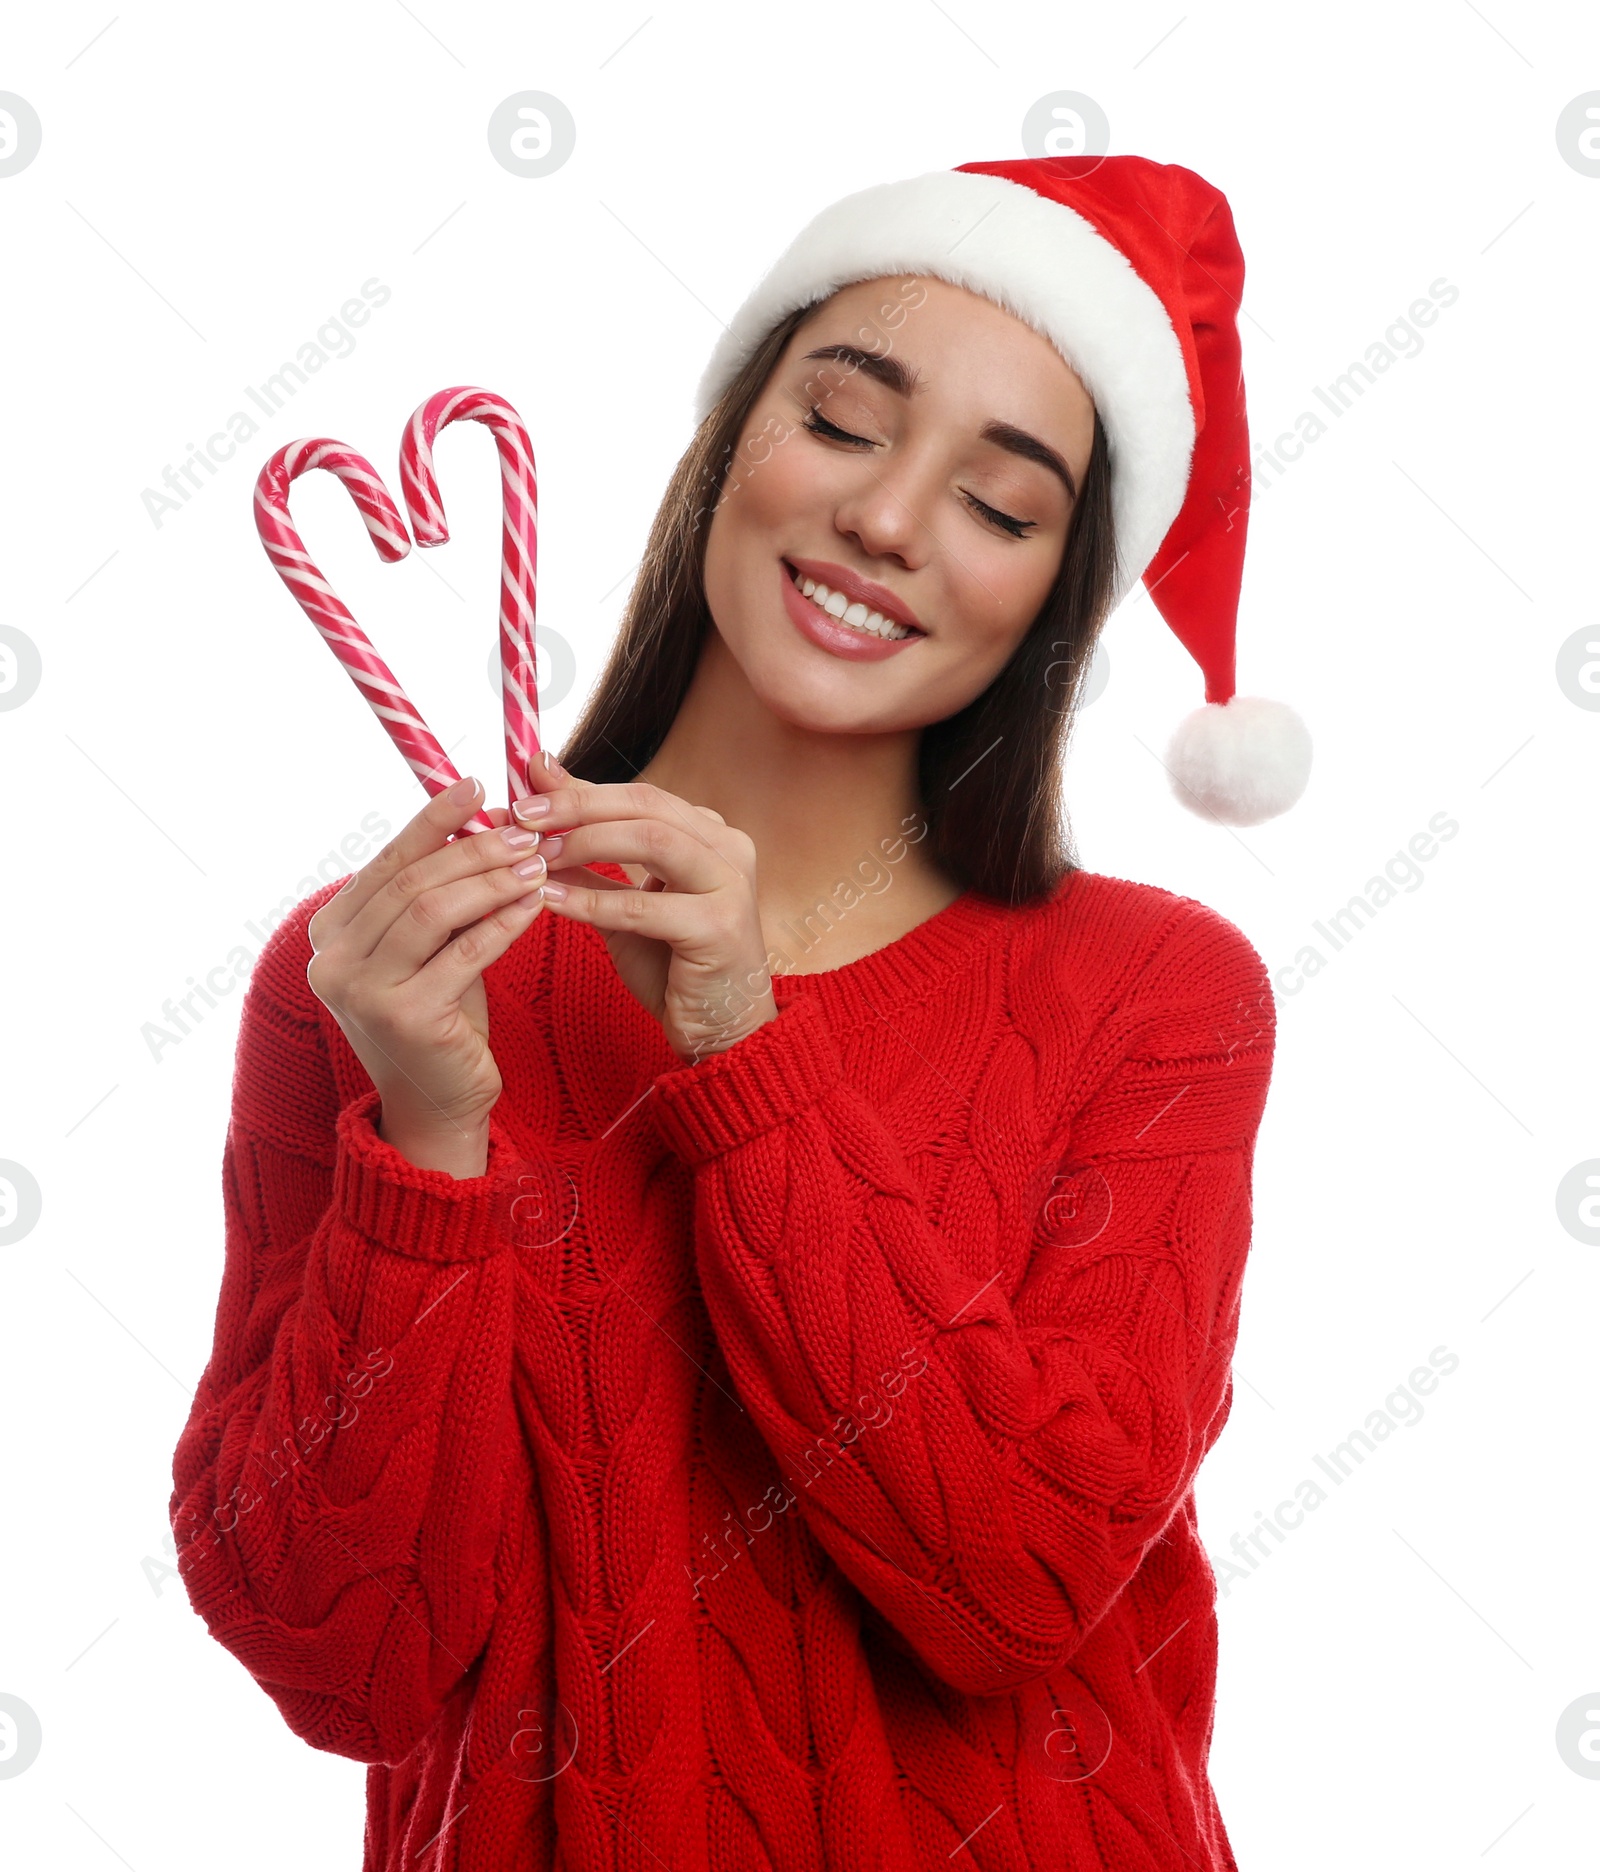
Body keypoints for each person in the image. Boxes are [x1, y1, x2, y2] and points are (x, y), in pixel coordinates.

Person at [170, 154, 1309, 1871]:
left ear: (1053, 603)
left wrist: (746, 1057)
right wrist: (426, 1140)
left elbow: (1014, 1579)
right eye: (845, 423)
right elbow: (340, 1659)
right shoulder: (378, 987)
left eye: (1002, 507)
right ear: (727, 446)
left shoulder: (1159, 997)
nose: (891, 520)